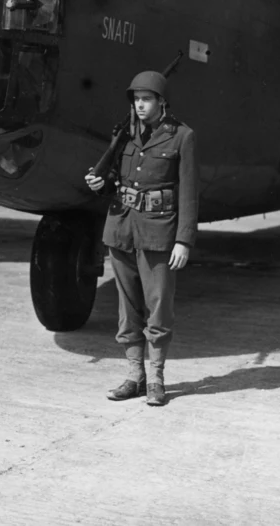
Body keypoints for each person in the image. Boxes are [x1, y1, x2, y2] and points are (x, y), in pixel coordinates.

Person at [84, 70, 198, 406]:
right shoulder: (125, 134)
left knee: (158, 306)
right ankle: (135, 376)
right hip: (121, 228)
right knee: (127, 307)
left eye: (146, 99)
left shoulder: (182, 137)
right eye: (136, 100)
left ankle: (157, 378)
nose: (140, 106)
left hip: (159, 233)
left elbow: (189, 193)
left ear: (162, 102)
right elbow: (116, 179)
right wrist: (99, 183)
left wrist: (184, 240)